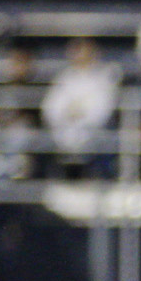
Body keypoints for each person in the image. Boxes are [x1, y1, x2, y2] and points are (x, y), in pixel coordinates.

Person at [40, 37, 120, 179]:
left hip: (93, 135)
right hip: (64, 134)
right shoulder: (64, 77)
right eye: (75, 51)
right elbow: (49, 108)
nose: (78, 55)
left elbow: (103, 110)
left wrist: (80, 114)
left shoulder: (104, 77)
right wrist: (68, 114)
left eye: (82, 50)